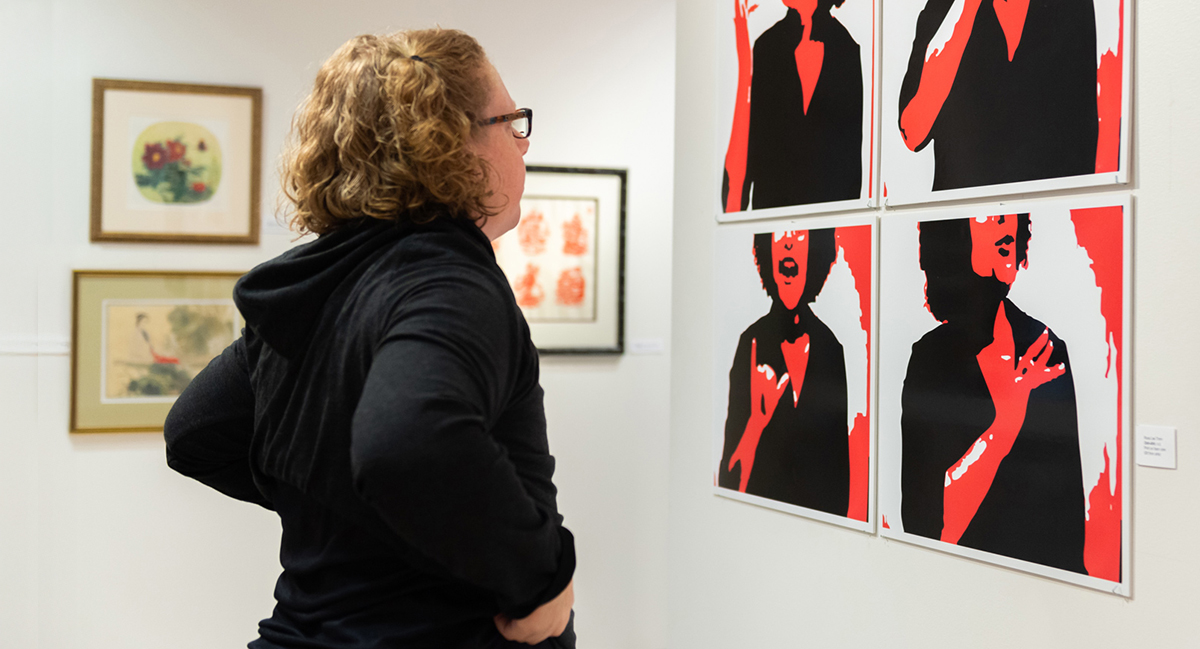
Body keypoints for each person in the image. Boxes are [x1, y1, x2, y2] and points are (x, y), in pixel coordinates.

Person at [163, 29, 577, 648]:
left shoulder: (314, 284)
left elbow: (196, 432)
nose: (523, 145)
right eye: (511, 123)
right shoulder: (449, 280)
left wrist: (356, 508)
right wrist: (540, 578)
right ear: (453, 144)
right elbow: (408, 443)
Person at [900, 214, 1087, 574]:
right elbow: (925, 525)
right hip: (955, 580)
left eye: (1011, 214)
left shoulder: (1043, 347)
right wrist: (1002, 427)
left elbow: (1066, 516)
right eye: (985, 213)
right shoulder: (930, 359)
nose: (1004, 219)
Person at [898, 0, 1099, 191]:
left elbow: (1080, 139)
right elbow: (913, 132)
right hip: (957, 217)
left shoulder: (1068, 7)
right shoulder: (945, 8)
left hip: (1036, 213)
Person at [719, 228, 850, 515]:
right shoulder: (750, 343)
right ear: (767, 252)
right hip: (758, 520)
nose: (789, 241)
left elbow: (841, 472)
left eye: (800, 235)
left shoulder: (830, 348)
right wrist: (756, 421)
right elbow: (728, 475)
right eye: (780, 234)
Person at [722, 0, 863, 212]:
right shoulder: (767, 46)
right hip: (771, 223)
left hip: (826, 225)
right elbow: (754, 138)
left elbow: (851, 156)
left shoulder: (845, 47)